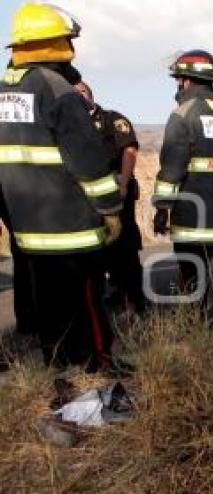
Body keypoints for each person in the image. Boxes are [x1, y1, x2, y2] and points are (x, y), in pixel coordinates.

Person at [0, 3, 123, 371]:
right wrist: (110, 209)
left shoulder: (4, 92)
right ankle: (97, 364)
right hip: (71, 228)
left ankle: (58, 367)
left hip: (27, 228)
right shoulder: (57, 90)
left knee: (48, 305)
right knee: (86, 301)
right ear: (58, 44)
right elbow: (87, 160)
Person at [152, 49, 213, 316]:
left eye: (179, 80)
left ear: (186, 81)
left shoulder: (182, 115)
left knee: (194, 282)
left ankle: (197, 326)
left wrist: (162, 208)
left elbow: (172, 169)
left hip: (194, 221)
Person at [75, 81, 145, 314]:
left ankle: (135, 302)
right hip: (84, 200)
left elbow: (129, 149)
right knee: (94, 251)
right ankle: (108, 297)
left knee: (124, 249)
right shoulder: (69, 124)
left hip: (116, 195)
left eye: (82, 92)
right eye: (73, 93)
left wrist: (124, 180)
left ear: (91, 95)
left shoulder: (112, 119)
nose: (78, 96)